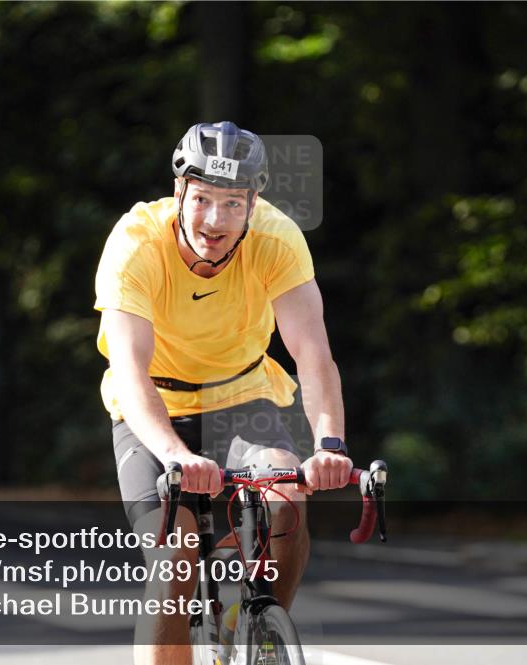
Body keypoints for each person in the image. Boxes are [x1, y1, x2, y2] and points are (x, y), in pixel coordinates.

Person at [94, 121, 350, 665]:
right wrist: (175, 455)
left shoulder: (277, 240)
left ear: (254, 202)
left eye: (233, 203)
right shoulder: (135, 243)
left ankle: (263, 631)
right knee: (175, 557)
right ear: (179, 190)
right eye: (204, 198)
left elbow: (313, 354)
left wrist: (331, 443)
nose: (215, 220)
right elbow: (130, 369)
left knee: (287, 499)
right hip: (154, 407)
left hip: (242, 396)